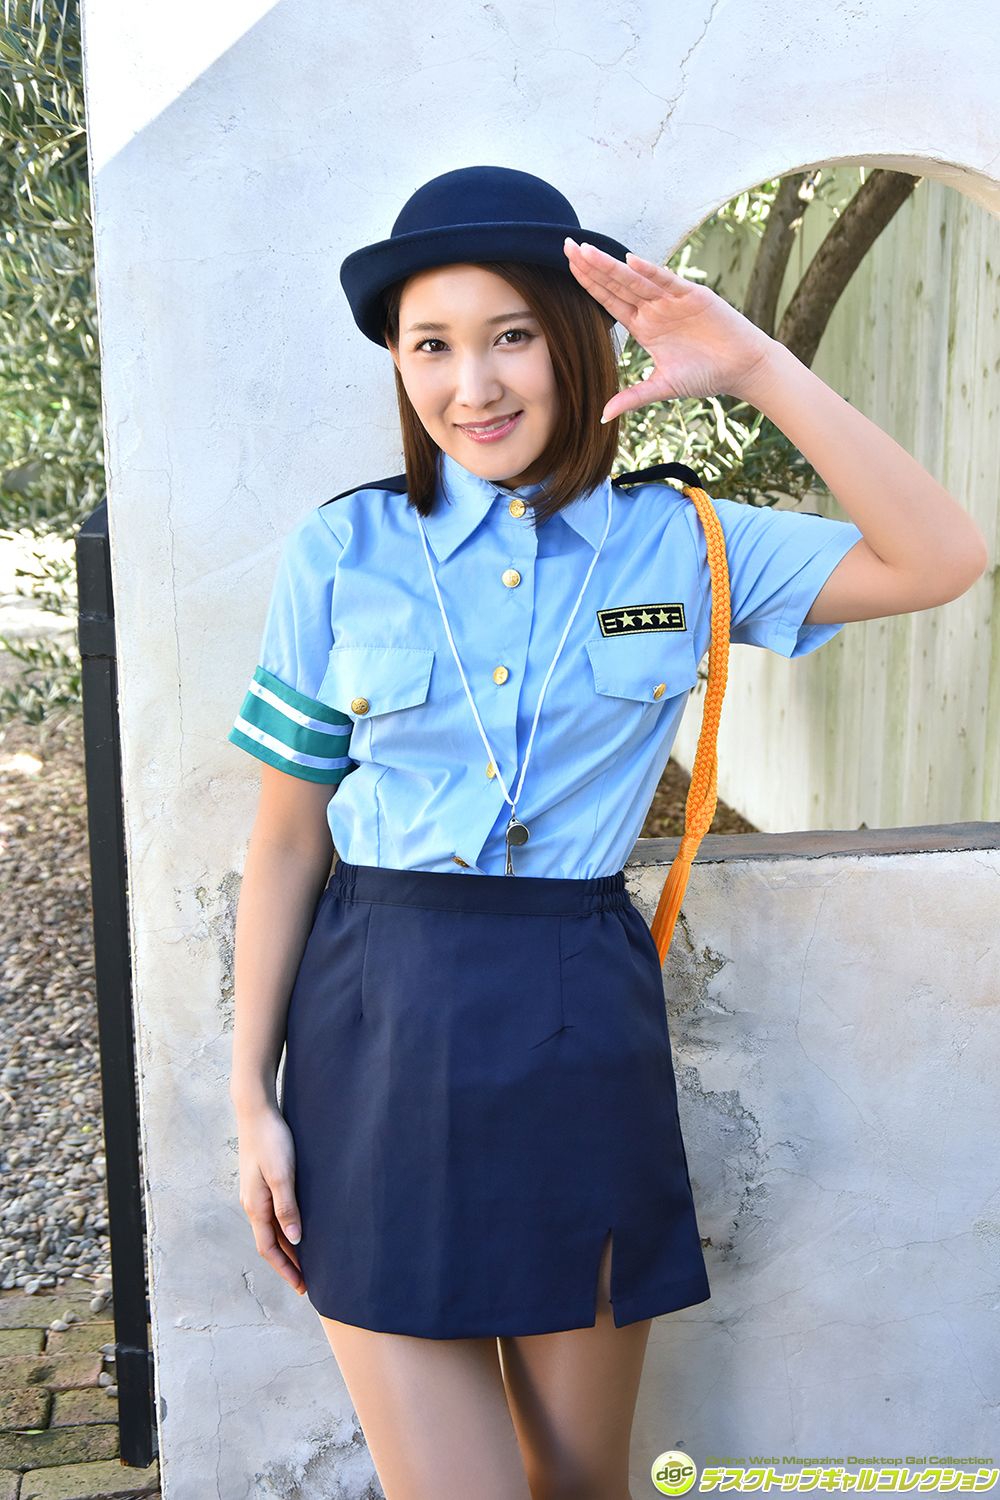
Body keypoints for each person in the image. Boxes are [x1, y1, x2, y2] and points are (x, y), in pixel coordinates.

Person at [227, 165, 988, 1500]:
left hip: (576, 1022)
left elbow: (941, 557)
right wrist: (251, 1100)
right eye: (431, 346)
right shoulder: (341, 553)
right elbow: (289, 842)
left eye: (512, 335)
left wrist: (758, 369)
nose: (474, 385)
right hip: (373, 1035)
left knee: (582, 1485)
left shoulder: (684, 543)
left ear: (581, 345)